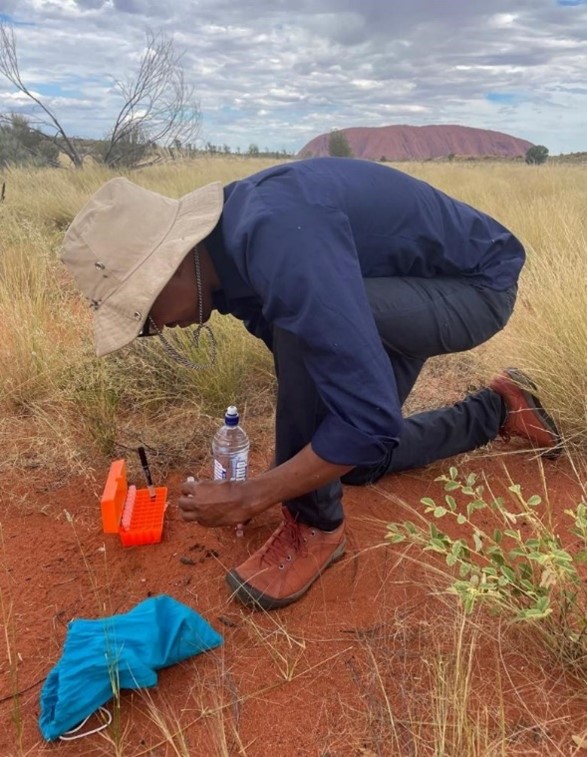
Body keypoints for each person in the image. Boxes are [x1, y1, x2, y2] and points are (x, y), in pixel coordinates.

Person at [61, 157, 560, 611]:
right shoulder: (227, 255)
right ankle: (498, 409)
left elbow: (357, 410)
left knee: (317, 357)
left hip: (475, 289)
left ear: (166, 269)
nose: (156, 329)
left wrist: (256, 493)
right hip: (396, 290)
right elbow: (322, 387)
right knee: (353, 458)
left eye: (143, 316)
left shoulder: (275, 237)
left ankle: (315, 530)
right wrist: (310, 454)